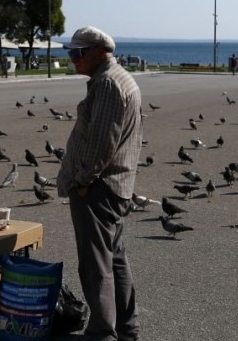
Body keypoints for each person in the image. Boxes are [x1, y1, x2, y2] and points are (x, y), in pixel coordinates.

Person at [57, 26, 142, 341]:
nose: (72, 58)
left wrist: (82, 181)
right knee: (115, 260)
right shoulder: (120, 78)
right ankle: (127, 328)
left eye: (77, 53)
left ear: (96, 52)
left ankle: (102, 334)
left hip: (98, 190)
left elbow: (102, 144)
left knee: (96, 267)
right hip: (115, 186)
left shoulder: (108, 84)